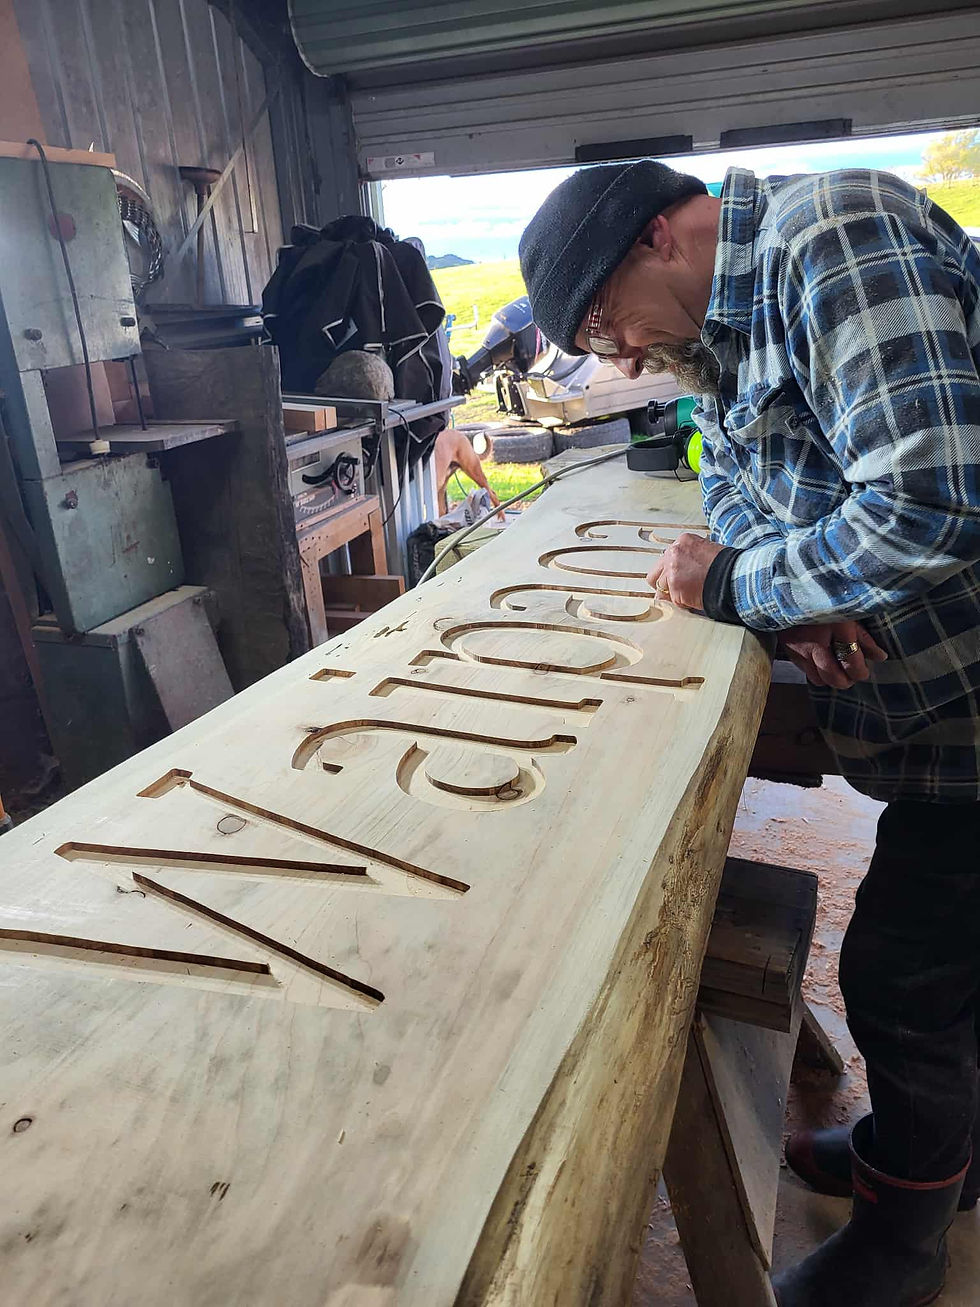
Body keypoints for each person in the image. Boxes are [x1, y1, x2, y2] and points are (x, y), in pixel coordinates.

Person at [520, 159, 980, 1306]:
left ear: (660, 236)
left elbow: (934, 500)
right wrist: (793, 584)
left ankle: (904, 1231)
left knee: (903, 974)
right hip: (933, 711)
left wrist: (740, 585)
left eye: (603, 323)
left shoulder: (831, 232)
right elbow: (723, 480)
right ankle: (944, 1160)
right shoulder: (715, 338)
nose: (620, 358)